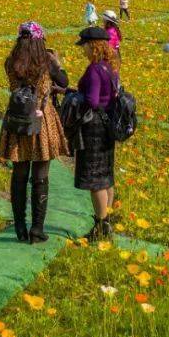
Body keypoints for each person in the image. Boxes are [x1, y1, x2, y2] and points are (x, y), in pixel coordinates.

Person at [0, 22, 69, 244]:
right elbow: (64, 82)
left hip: (18, 119)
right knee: (40, 176)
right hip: (42, 119)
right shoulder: (46, 61)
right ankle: (37, 229)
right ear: (40, 40)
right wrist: (57, 62)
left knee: (19, 174)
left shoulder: (11, 62)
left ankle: (20, 227)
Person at [72, 26, 119, 241]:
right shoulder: (109, 67)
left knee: (94, 179)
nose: (83, 50)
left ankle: (101, 226)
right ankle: (106, 220)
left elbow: (91, 101)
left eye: (84, 46)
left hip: (94, 128)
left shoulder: (94, 70)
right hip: (108, 124)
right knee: (106, 177)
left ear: (93, 46)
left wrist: (76, 95)